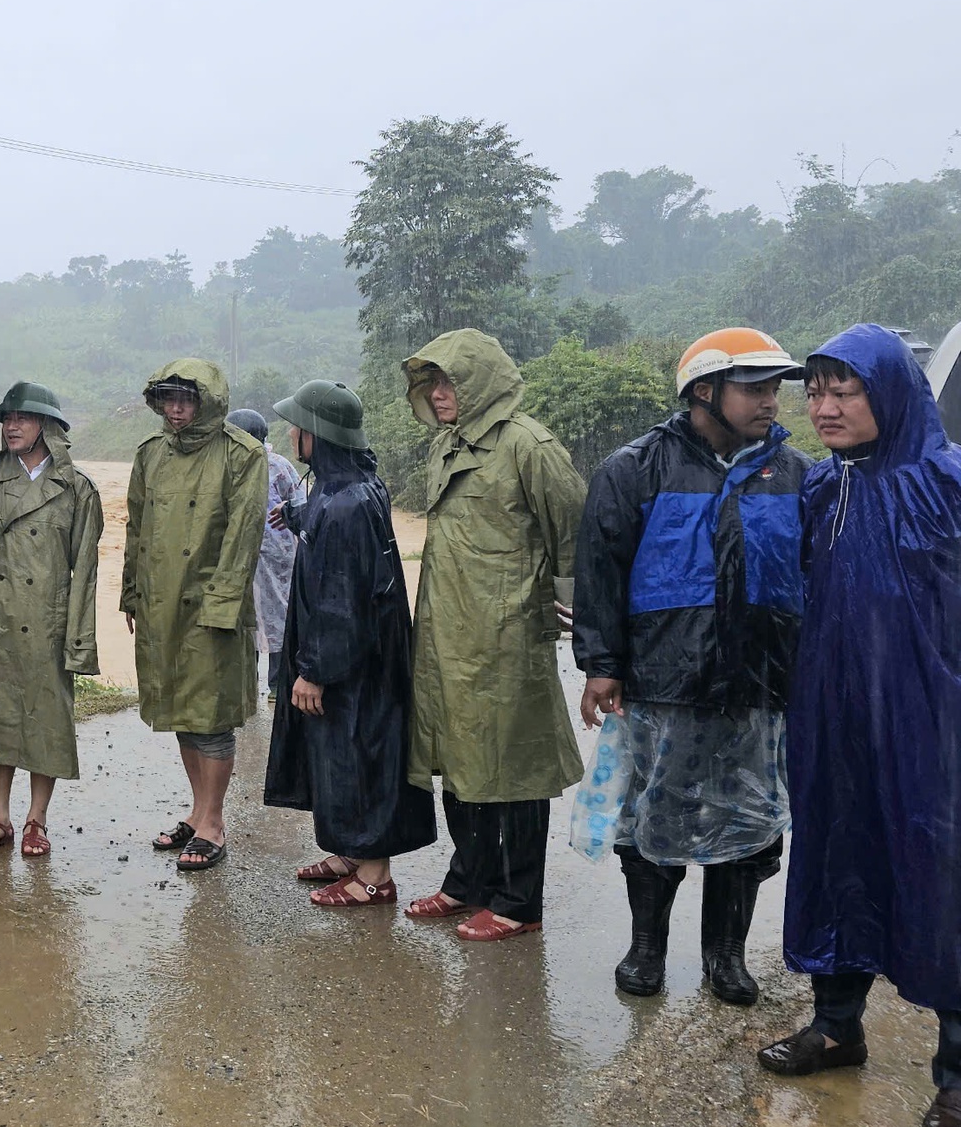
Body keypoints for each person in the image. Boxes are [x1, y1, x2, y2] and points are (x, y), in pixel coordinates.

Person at [758, 324, 961, 1127]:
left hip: (930, 725)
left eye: (845, 391)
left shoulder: (945, 482)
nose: (825, 407)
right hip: (836, 716)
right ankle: (837, 1025)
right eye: (816, 390)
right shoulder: (823, 488)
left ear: (891, 393)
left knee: (939, 872)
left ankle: (955, 1068)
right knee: (839, 852)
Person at [572, 328, 807, 1002]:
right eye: (754, 387)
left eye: (775, 387)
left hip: (760, 684)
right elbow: (599, 572)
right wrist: (602, 664)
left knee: (750, 823)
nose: (771, 400)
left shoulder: (793, 475)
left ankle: (726, 957)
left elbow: (811, 578)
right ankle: (647, 948)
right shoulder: (635, 468)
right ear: (705, 390)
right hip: (666, 681)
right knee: (656, 816)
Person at [401, 329, 586, 940]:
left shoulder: (529, 445)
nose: (439, 393)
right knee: (459, 761)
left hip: (508, 636)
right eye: (432, 382)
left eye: (450, 380)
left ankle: (518, 900)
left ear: (480, 381)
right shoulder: (445, 446)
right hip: (448, 636)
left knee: (514, 768)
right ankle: (468, 881)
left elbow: (574, 530)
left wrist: (575, 610)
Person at [263, 380, 436, 905]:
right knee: (337, 754)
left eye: (299, 426)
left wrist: (313, 669)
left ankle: (374, 875)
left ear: (317, 435)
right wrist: (296, 516)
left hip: (352, 663)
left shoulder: (343, 506)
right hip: (361, 657)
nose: (292, 434)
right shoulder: (347, 488)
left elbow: (341, 599)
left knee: (361, 756)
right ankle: (350, 849)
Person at [0, 382, 103, 858]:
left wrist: (79, 640)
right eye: (7, 419)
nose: (11, 426)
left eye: (22, 419)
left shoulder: (76, 489)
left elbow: (85, 570)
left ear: (47, 426)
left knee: (44, 722)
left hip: (45, 619)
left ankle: (37, 820)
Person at [122, 360, 267, 872]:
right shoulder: (150, 454)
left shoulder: (242, 455)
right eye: (169, 399)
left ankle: (214, 823)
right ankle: (198, 811)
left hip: (210, 606)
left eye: (187, 399)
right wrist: (132, 595)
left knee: (211, 716)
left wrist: (223, 605)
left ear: (208, 401)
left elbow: (244, 535)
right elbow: (137, 528)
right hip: (161, 602)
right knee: (182, 711)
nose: (177, 409)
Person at [227, 408, 303, 697]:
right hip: (241, 556)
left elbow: (298, 502)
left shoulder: (278, 466)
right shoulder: (227, 466)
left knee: (276, 616)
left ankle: (276, 684)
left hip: (276, 557)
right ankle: (246, 686)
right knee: (245, 617)